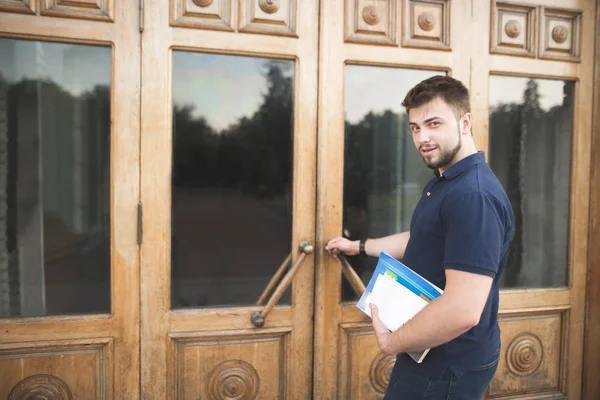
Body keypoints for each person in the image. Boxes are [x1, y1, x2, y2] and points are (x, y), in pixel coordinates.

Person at [326, 75, 514, 399]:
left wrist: (390, 343)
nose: (422, 137)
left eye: (433, 123)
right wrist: (359, 246)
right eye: (415, 127)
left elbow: (463, 310)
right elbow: (423, 238)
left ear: (465, 121)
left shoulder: (473, 197)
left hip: (445, 366)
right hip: (429, 353)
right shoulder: (446, 180)